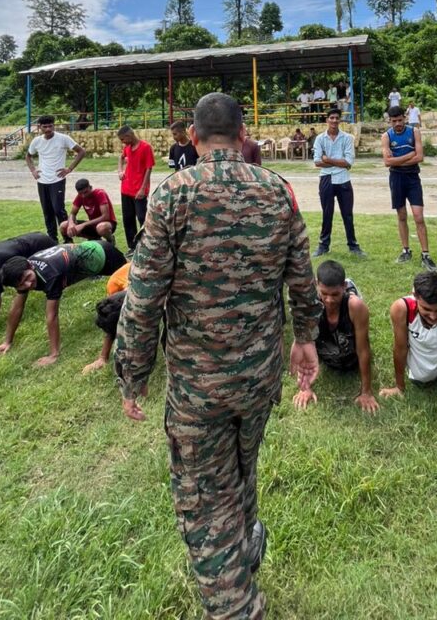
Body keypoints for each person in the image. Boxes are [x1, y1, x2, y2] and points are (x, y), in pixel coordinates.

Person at [114, 92, 321, 620]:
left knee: (206, 498)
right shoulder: (277, 191)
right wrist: (305, 337)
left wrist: (132, 371)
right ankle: (245, 552)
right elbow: (302, 275)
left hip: (197, 387)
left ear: (193, 137)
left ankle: (234, 606)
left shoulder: (173, 195)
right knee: (242, 470)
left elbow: (143, 297)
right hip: (258, 377)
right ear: (243, 132)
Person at [0, 240, 127, 366]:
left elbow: (52, 316)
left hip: (105, 255)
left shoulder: (50, 274)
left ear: (30, 266)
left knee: (124, 295)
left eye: (28, 278)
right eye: (21, 284)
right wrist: (6, 341)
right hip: (90, 250)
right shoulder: (25, 269)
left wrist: (53, 354)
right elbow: (17, 307)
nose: (28, 285)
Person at [293, 260, 378, 414]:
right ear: (317, 284)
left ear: (344, 287)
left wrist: (366, 392)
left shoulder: (356, 307)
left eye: (335, 294)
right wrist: (305, 388)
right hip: (327, 358)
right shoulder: (309, 305)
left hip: (351, 360)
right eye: (324, 293)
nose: (329, 300)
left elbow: (363, 349)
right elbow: (304, 344)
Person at [380, 271, 437, 408]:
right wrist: (399, 387)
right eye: (427, 309)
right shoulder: (401, 308)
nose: (433, 317)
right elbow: (400, 348)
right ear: (415, 295)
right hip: (413, 369)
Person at [381, 105, 435, 267]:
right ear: (389, 121)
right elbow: (387, 162)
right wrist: (409, 154)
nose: (397, 123)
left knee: (418, 216)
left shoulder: (414, 132)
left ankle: (425, 254)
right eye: (394, 121)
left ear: (404, 117)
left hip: (412, 177)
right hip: (396, 178)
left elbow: (420, 157)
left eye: (400, 120)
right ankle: (406, 250)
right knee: (402, 215)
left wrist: (399, 160)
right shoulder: (386, 136)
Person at [312, 107, 365, 258]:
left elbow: (349, 161)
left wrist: (328, 159)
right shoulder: (320, 139)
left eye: (337, 118)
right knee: (327, 214)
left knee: (347, 214)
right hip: (326, 179)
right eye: (331, 118)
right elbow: (317, 162)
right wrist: (339, 162)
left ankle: (353, 245)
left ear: (340, 120)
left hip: (343, 180)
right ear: (327, 120)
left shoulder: (347, 138)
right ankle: (323, 245)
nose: (334, 121)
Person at [26, 115, 86, 241]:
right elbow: (28, 156)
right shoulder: (36, 141)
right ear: (39, 127)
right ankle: (52, 239)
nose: (48, 129)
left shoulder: (63, 139)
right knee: (47, 211)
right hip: (42, 181)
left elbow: (81, 151)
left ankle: (67, 238)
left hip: (57, 180)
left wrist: (69, 169)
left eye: (50, 126)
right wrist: (33, 170)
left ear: (54, 125)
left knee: (58, 210)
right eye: (45, 126)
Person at [117, 124, 155, 251]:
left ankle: (147, 244)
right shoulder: (127, 147)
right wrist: (120, 170)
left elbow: (149, 168)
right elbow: (121, 158)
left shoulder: (145, 147)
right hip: (126, 189)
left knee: (142, 217)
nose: (122, 142)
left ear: (129, 135)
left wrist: (143, 188)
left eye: (123, 139)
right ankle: (132, 247)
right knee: (128, 218)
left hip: (139, 190)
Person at [60, 178, 117, 243]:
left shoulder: (100, 193)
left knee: (101, 227)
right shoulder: (80, 196)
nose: (83, 195)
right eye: (80, 193)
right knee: (63, 225)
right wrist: (71, 224)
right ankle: (69, 244)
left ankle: (110, 240)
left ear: (90, 187)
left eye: (85, 192)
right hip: (93, 225)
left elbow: (105, 216)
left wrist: (83, 225)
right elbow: (72, 213)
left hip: (107, 224)